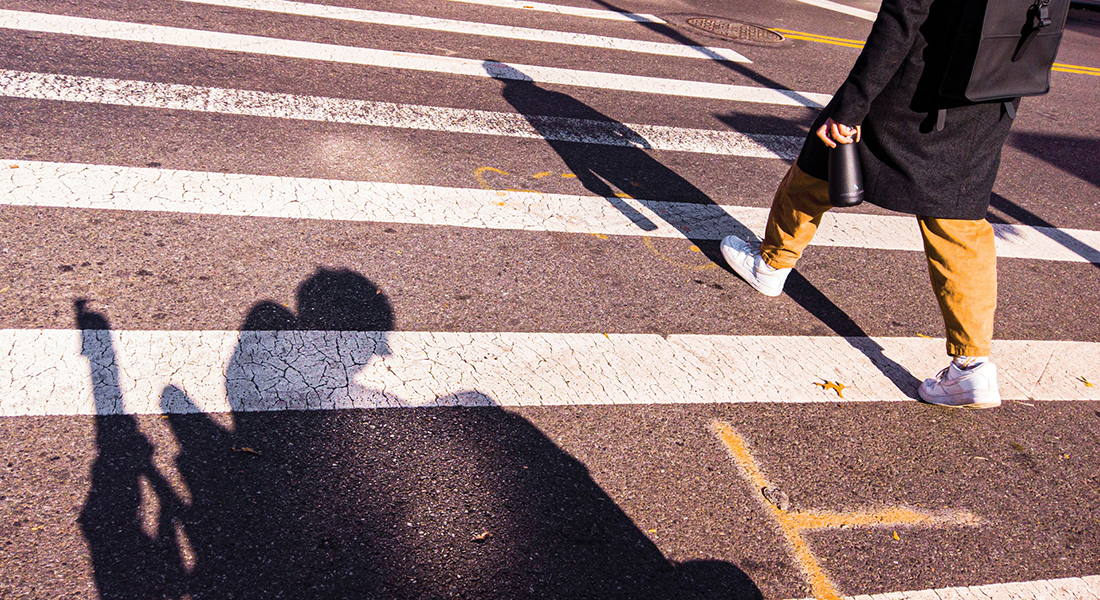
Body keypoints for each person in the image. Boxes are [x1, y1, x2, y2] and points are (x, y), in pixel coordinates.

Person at [721, 0, 1015, 409]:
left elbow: (902, 18)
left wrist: (852, 104)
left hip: (916, 87)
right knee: (959, 217)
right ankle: (972, 366)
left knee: (823, 159)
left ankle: (771, 264)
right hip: (991, 93)